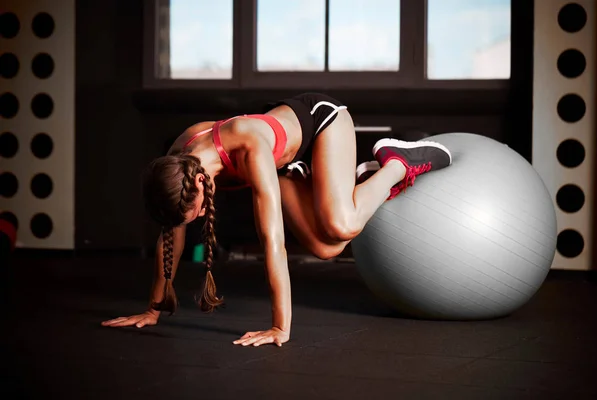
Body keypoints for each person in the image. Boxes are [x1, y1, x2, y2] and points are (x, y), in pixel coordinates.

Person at [101, 93, 452, 347]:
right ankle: (339, 178)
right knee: (327, 248)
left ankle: (396, 162)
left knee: (342, 226)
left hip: (321, 122)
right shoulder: (176, 163)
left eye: (196, 213)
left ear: (198, 183)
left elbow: (273, 241)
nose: (197, 219)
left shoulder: (247, 147)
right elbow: (171, 233)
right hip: (283, 162)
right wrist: (153, 308)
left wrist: (279, 327)